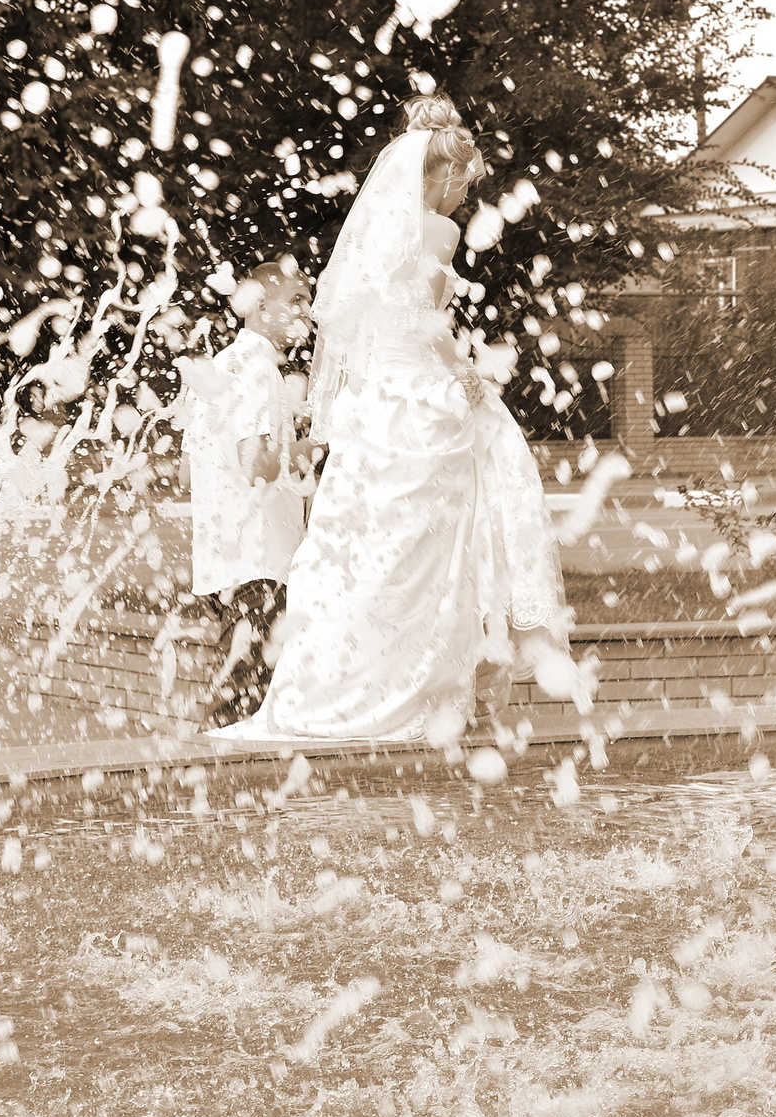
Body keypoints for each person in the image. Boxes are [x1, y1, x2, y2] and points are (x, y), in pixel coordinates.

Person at [214, 94, 592, 745]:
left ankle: (330, 683)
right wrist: (467, 373)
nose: (462, 200)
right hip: (421, 395)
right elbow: (426, 319)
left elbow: (356, 326)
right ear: (441, 174)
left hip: (374, 404)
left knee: (361, 551)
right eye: (463, 185)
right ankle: (443, 678)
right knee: (465, 511)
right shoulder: (435, 229)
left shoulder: (372, 238)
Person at [179, 254, 316, 724]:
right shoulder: (260, 369)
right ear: (258, 305)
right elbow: (256, 465)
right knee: (238, 700)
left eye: (308, 302)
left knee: (243, 684)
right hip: (261, 554)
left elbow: (186, 473)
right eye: (295, 300)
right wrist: (312, 447)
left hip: (224, 556)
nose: (306, 311)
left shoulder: (217, 365)